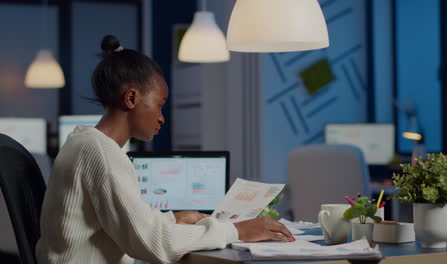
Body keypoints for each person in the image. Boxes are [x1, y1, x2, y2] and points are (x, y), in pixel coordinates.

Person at [36, 35, 294, 264]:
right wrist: (237, 231)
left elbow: (131, 225)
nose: (161, 118)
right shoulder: (101, 153)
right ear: (131, 98)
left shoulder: (83, 142)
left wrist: (173, 220)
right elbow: (153, 244)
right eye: (159, 105)